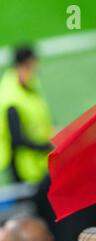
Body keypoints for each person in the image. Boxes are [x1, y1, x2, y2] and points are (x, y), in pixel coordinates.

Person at [0, 46, 53, 185]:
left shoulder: (30, 83)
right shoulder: (11, 98)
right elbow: (17, 139)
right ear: (24, 65)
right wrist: (47, 146)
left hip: (37, 161)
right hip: (22, 166)